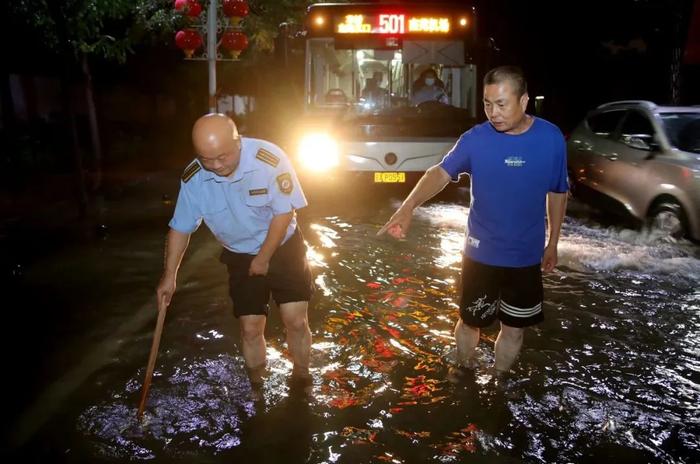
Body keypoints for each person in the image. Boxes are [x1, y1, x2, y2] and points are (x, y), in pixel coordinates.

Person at [379, 66, 568, 375]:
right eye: (487, 103)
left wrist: (553, 243)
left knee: (515, 329)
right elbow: (439, 173)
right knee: (470, 321)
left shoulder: (551, 139)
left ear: (524, 101)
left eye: (501, 104)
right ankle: (464, 370)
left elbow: (558, 190)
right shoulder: (475, 140)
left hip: (525, 256)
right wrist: (408, 206)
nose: (493, 112)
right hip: (481, 253)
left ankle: (498, 380)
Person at [156, 113, 314, 390]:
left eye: (223, 157)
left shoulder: (270, 159)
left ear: (238, 142)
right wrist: (169, 276)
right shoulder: (194, 177)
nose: (216, 166)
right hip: (239, 253)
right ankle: (257, 387)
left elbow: (283, 213)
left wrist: (264, 258)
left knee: (295, 320)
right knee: (250, 328)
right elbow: (180, 227)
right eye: (208, 159)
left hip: (283, 247)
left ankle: (302, 376)